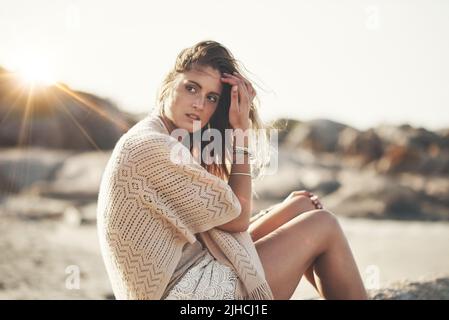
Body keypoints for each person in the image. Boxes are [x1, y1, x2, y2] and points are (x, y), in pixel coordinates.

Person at [97, 40, 368, 300]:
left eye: (212, 97)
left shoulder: (157, 137)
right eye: (191, 88)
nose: (200, 104)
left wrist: (286, 210)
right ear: (169, 85)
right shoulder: (153, 146)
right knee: (323, 226)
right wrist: (241, 135)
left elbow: (222, 230)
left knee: (303, 209)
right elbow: (236, 221)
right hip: (188, 295)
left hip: (193, 279)